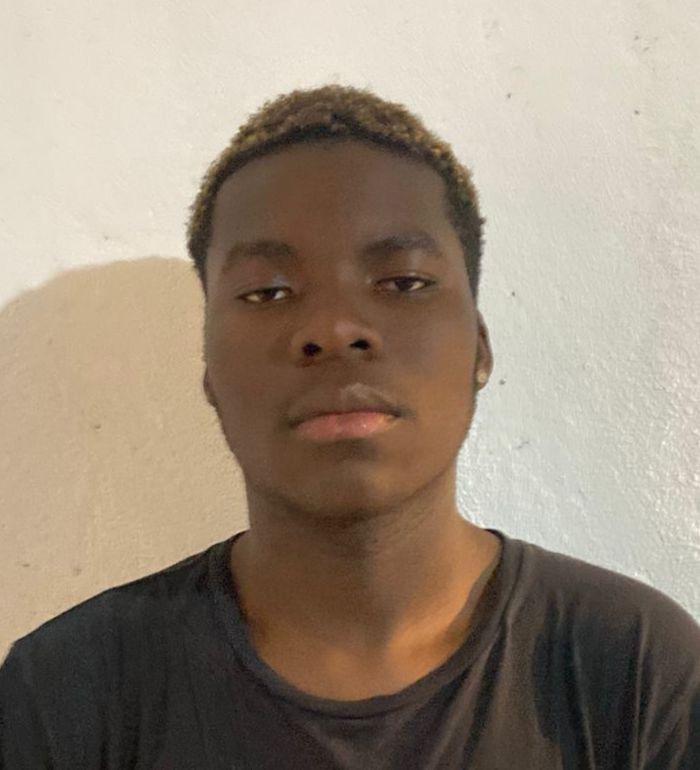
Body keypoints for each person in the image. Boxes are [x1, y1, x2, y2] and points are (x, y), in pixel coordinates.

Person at [1, 84, 697, 769]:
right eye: (268, 292)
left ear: (479, 349)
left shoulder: (636, 671)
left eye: (403, 282)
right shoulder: (64, 692)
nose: (335, 329)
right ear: (209, 371)